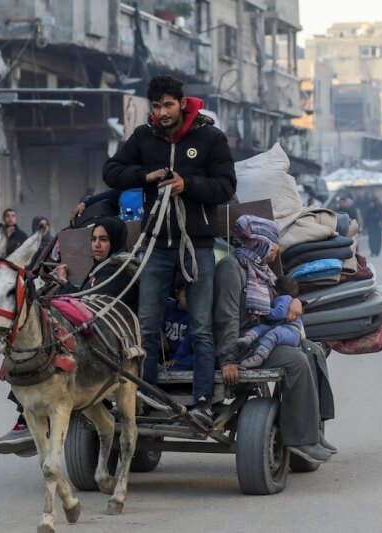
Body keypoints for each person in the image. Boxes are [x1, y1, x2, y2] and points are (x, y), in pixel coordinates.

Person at [102, 75, 237, 427]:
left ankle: (204, 401)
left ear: (181, 103)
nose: (162, 112)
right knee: (146, 326)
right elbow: (111, 172)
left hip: (198, 246)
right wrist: (147, 176)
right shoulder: (144, 138)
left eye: (168, 105)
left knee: (201, 326)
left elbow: (226, 187)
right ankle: (144, 397)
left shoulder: (210, 137)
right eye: (157, 106)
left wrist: (187, 184)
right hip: (156, 246)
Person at [0, 216, 137, 455]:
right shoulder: (101, 267)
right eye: (94, 239)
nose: (96, 245)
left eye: (103, 240)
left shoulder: (120, 269)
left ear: (116, 241)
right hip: (95, 330)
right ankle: (27, 414)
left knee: (55, 346)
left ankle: (32, 418)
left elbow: (91, 302)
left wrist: (63, 283)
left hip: (110, 338)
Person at [214, 215, 335, 465]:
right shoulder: (231, 267)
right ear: (260, 244)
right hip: (243, 345)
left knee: (312, 350)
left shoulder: (261, 269)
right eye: (273, 243)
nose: (276, 248)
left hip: (264, 336)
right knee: (296, 361)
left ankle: (313, 430)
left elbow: (281, 296)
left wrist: (294, 301)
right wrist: (227, 359)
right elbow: (226, 316)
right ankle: (300, 438)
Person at [233, 276, 304, 369]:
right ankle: (248, 338)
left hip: (292, 331)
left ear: (275, 291)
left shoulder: (284, 298)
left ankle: (259, 357)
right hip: (282, 327)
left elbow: (279, 314)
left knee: (273, 334)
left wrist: (262, 310)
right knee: (262, 327)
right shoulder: (287, 299)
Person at [161, 276, 194, 371]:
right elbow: (154, 323)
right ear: (177, 294)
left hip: (183, 358)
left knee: (197, 359)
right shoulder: (167, 308)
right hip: (165, 356)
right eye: (187, 297)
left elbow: (188, 341)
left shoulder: (195, 315)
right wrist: (159, 332)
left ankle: (170, 369)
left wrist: (177, 358)